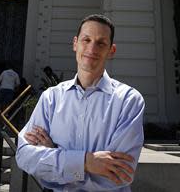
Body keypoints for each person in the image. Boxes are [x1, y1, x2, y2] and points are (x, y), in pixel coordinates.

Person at [16, 14, 145, 191]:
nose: (92, 48)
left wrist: (55, 156)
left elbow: (119, 175)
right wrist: (86, 162)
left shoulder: (129, 101)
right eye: (86, 40)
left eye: (101, 43)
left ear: (111, 51)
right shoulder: (51, 98)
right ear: (75, 43)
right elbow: (24, 155)